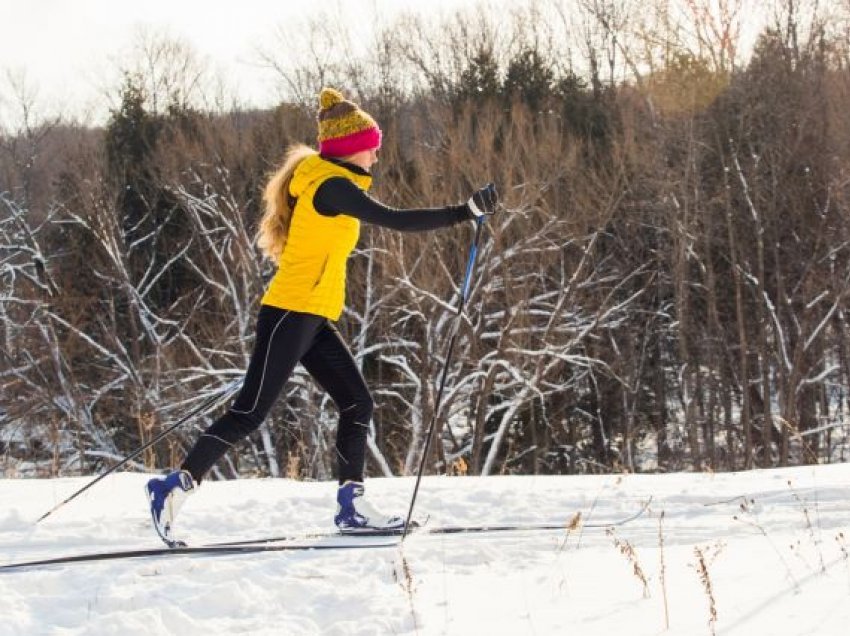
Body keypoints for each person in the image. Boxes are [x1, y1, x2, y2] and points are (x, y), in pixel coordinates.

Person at [145, 87, 498, 545]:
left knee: (357, 401)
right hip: (291, 312)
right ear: (351, 148)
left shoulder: (329, 182)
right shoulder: (332, 187)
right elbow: (394, 219)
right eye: (372, 145)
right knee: (250, 412)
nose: (376, 155)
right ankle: (173, 488)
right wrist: (462, 212)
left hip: (312, 317)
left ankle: (351, 507)